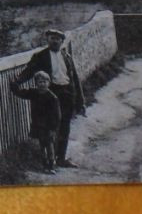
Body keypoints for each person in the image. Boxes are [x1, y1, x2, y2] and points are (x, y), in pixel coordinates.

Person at [11, 28, 86, 168]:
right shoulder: (40, 56)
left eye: (58, 38)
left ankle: (61, 158)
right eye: (52, 38)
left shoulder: (67, 57)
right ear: (47, 40)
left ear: (62, 41)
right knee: (50, 127)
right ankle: (48, 159)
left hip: (67, 94)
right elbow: (28, 71)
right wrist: (17, 82)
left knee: (65, 126)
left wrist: (81, 101)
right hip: (50, 95)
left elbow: (75, 78)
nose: (55, 41)